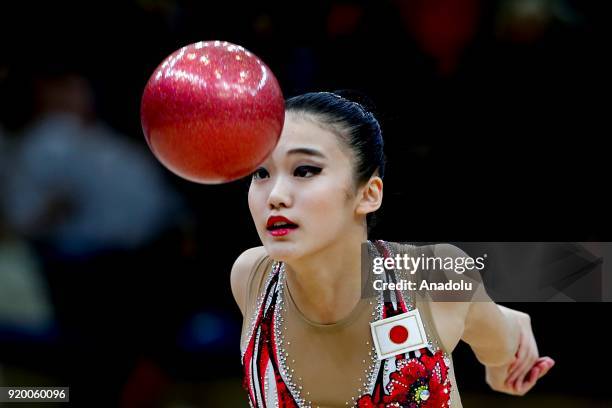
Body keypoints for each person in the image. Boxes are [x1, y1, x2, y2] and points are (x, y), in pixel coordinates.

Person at [230, 91, 554, 407]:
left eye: (304, 170)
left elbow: (503, 350)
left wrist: (506, 357)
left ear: (368, 194)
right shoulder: (251, 278)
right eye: (261, 172)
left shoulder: (434, 276)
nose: (275, 195)